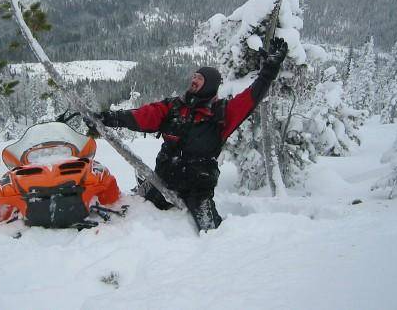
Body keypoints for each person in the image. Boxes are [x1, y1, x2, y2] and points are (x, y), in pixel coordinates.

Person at [96, 37, 289, 231]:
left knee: (210, 231)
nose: (194, 80)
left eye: (200, 78)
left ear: (210, 85)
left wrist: (269, 71)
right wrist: (112, 118)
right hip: (163, 179)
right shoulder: (174, 107)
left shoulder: (222, 114)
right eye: (194, 76)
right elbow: (145, 115)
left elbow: (250, 98)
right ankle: (143, 185)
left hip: (198, 186)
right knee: (134, 208)